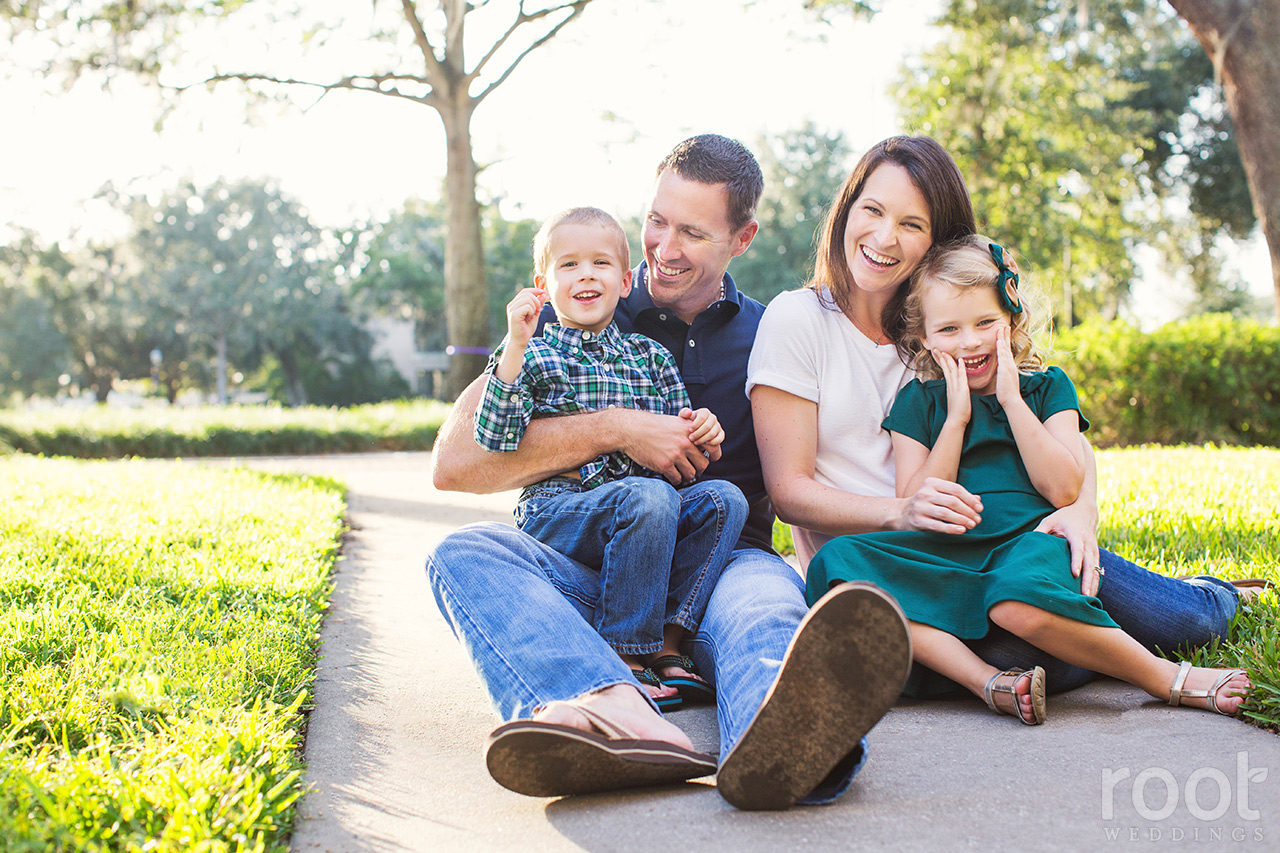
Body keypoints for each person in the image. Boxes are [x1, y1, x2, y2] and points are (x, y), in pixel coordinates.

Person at [429, 134, 913, 810]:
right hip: (591, 563)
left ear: (740, 238)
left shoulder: (773, 331)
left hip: (720, 565)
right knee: (464, 552)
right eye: (657, 221)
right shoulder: (585, 304)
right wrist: (620, 426)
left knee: (768, 610)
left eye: (691, 231)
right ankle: (613, 709)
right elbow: (455, 464)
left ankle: (790, 747)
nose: (663, 246)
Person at [748, 134, 1244, 713]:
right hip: (905, 568)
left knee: (1162, 619)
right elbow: (789, 493)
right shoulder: (804, 321)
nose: (885, 238)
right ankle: (1022, 666)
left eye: (912, 224)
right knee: (1027, 640)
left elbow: (1062, 444)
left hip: (1014, 551)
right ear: (847, 208)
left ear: (939, 242)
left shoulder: (947, 327)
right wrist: (902, 511)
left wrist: (1080, 512)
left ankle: (1198, 604)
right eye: (874, 210)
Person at [474, 205, 749, 708]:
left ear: (625, 282)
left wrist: (703, 432)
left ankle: (668, 646)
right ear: (543, 284)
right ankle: (622, 655)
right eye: (569, 265)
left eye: (600, 264)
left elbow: (684, 459)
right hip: (561, 510)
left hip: (647, 509)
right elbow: (495, 435)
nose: (585, 274)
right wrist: (514, 345)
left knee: (724, 498)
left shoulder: (649, 357)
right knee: (648, 496)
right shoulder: (533, 355)